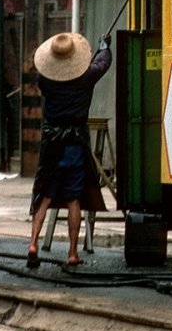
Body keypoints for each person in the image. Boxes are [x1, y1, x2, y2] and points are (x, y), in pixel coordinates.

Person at [26, 30, 111, 268]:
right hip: (74, 144)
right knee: (74, 199)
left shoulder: (46, 81)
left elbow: (43, 76)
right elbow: (102, 65)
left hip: (52, 144)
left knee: (45, 195)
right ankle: (73, 253)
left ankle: (33, 243)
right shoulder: (86, 77)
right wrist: (104, 47)